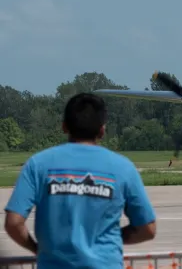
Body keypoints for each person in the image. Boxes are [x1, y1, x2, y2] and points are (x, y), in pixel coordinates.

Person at [3, 92, 157, 268]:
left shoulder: (38, 164)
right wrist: (110, 238)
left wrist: (37, 249)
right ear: (102, 130)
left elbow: (14, 222)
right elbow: (148, 229)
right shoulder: (123, 168)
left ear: (64, 126)